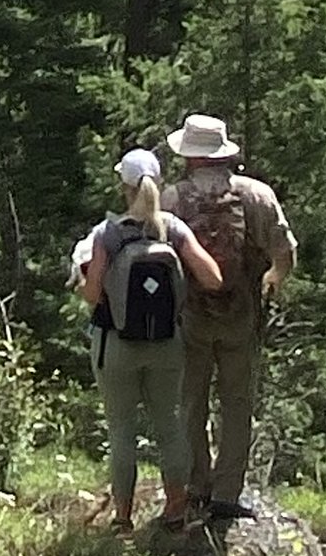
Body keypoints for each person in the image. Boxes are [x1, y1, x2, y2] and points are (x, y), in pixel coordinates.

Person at [75, 148, 226, 533]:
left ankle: (123, 518)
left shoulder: (106, 234)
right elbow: (212, 278)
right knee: (170, 425)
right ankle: (176, 507)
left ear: (123, 186)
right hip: (166, 343)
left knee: (121, 429)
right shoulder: (173, 230)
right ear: (158, 183)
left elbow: (92, 295)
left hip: (116, 344)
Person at [162, 111, 298, 524]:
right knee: (237, 403)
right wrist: (273, 280)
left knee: (190, 403)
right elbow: (285, 252)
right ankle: (226, 493)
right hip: (242, 316)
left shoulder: (171, 198)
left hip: (190, 316)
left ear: (189, 156)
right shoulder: (257, 195)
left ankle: (197, 486)